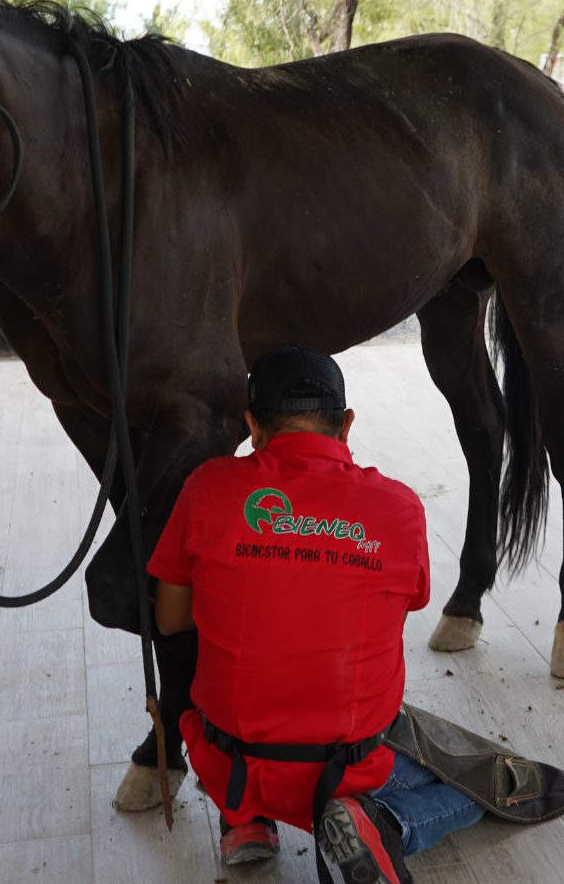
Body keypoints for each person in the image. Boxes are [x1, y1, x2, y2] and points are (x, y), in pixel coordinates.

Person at [149, 346, 483, 883]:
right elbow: (403, 609)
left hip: (230, 757)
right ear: (346, 425)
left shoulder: (208, 487)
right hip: (350, 763)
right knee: (479, 788)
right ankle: (379, 819)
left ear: (252, 426)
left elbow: (168, 621)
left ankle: (245, 823)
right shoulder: (398, 508)